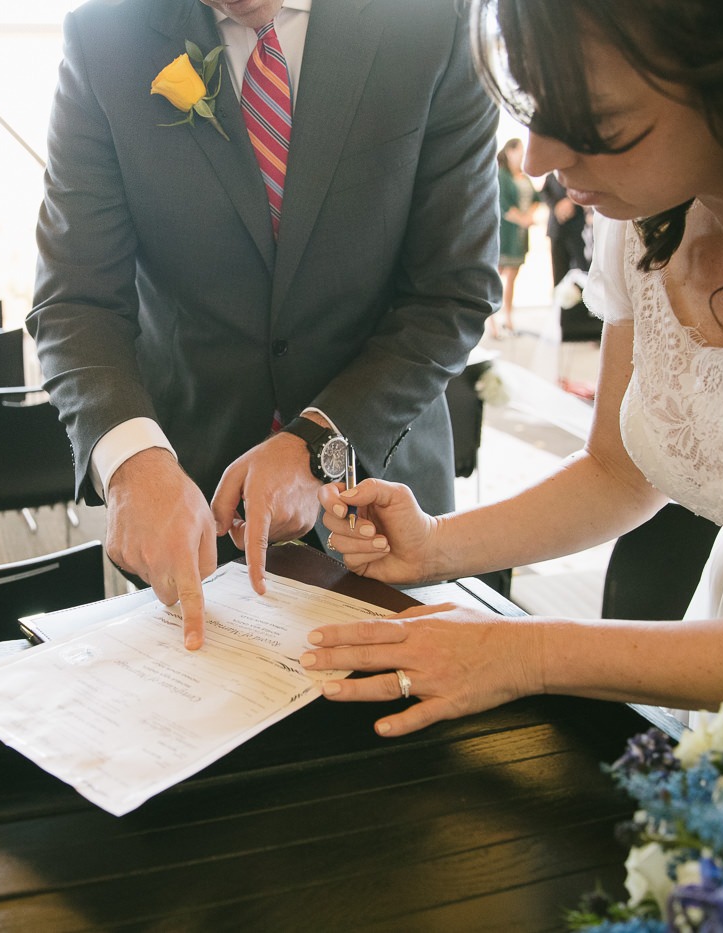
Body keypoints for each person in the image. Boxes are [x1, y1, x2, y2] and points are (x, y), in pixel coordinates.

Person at [307, 0, 723, 738]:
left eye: (598, 122)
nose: (535, 160)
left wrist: (523, 652)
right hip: (720, 676)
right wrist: (437, 544)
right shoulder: (641, 221)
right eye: (531, 104)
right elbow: (620, 474)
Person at [29, 0, 501, 649]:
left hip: (381, 495)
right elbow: (75, 297)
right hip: (192, 506)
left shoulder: (434, 23)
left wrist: (320, 442)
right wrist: (131, 460)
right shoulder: (105, 39)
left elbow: (453, 289)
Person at [494, 136, 540, 336]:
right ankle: (492, 322)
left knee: (512, 277)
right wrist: (522, 219)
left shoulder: (524, 176)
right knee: (496, 276)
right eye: (519, 150)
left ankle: (509, 317)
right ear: (509, 151)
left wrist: (529, 215)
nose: (521, 154)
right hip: (505, 231)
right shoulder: (501, 175)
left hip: (521, 234)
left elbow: (537, 198)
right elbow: (502, 203)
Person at [540, 174, 590, 281]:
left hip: (577, 227)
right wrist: (556, 206)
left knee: (582, 268)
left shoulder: (580, 171)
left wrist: (571, 201)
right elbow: (544, 192)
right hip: (557, 228)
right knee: (558, 272)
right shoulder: (552, 174)